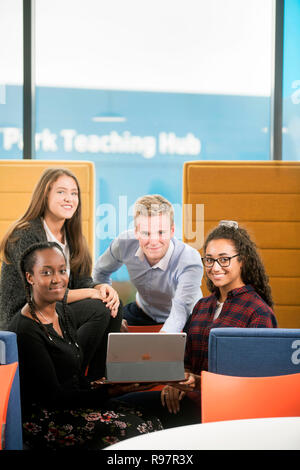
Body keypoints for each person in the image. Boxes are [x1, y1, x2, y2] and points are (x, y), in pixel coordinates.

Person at [118, 220, 277, 427]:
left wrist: (199, 383)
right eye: (209, 260)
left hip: (226, 415)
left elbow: (256, 382)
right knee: (116, 406)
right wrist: (176, 382)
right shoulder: (202, 306)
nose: (215, 267)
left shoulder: (257, 312)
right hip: (186, 402)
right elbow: (185, 358)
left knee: (123, 419)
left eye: (224, 259)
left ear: (242, 261)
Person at [9, 241, 163, 450]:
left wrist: (109, 385)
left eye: (62, 271)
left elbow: (74, 376)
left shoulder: (62, 314)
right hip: (44, 419)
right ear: (30, 277)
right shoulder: (26, 329)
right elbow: (54, 398)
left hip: (71, 403)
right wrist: (110, 393)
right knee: (139, 428)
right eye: (46, 273)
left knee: (152, 421)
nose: (57, 279)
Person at [0, 167, 121, 379]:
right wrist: (90, 294)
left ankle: (98, 380)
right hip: (24, 314)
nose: (69, 199)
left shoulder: (72, 236)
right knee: (97, 309)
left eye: (74, 193)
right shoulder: (26, 234)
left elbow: (82, 280)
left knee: (112, 307)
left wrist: (99, 288)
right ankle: (69, 376)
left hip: (54, 308)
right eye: (61, 192)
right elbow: (42, 293)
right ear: (45, 195)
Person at [93, 194, 203, 333]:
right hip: (143, 311)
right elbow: (100, 272)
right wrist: (112, 315)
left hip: (187, 316)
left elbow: (180, 312)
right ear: (136, 232)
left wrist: (159, 340)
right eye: (146, 233)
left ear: (172, 231)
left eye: (161, 232)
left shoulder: (189, 259)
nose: (154, 241)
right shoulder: (124, 244)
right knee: (102, 327)